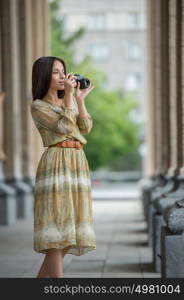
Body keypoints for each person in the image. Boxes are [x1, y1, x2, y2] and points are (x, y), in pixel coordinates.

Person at [30, 56, 96, 278]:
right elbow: (64, 127)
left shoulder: (67, 101)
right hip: (57, 163)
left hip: (77, 163)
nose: (62, 76)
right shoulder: (38, 106)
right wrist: (68, 97)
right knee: (57, 234)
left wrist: (79, 99)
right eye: (56, 72)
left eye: (63, 71)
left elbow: (85, 127)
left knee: (71, 234)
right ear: (43, 76)